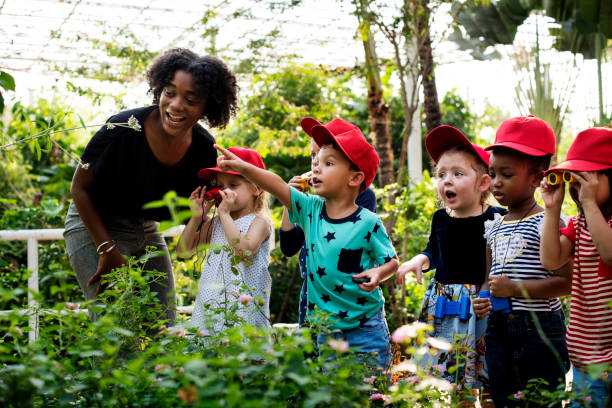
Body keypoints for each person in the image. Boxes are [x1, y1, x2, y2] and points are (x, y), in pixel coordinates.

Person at [64, 48, 238, 322]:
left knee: (163, 323)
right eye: (169, 92)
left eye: (191, 99)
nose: (176, 104)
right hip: (94, 223)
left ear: (208, 105)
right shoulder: (122, 126)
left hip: (145, 227)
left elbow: (206, 210)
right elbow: (79, 188)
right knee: (114, 325)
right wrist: (107, 249)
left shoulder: (204, 149)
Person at [213, 117, 399, 372]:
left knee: (370, 392)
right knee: (331, 391)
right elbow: (276, 184)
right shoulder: (310, 208)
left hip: (365, 326)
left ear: (354, 178)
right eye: (316, 161)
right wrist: (243, 168)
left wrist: (379, 273)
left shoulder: (369, 221)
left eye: (328, 163)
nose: (316, 168)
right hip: (324, 328)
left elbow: (392, 261)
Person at [395, 125, 505, 401]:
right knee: (455, 381)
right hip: (445, 310)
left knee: (488, 376)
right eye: (441, 174)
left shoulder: (496, 218)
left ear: (483, 183)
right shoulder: (440, 218)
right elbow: (433, 250)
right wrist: (417, 261)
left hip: (481, 307)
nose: (447, 181)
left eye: (458, 174)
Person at [473, 115, 571, 408]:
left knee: (542, 400)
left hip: (539, 330)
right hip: (498, 329)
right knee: (504, 399)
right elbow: (489, 278)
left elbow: (565, 283)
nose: (496, 183)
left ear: (537, 178)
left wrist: (515, 288)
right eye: (493, 173)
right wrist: (482, 297)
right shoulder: (495, 224)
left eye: (507, 174)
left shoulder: (548, 223)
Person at [539, 127, 612, 408]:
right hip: (583, 358)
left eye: (586, 178)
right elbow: (551, 260)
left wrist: (590, 203)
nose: (576, 188)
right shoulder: (578, 224)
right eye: (573, 179)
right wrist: (552, 209)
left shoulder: (597, 220)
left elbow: (608, 253)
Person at [279, 137, 377, 327]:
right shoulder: (310, 202)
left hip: (346, 295)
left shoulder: (363, 196)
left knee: (347, 354)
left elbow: (345, 242)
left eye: (326, 158)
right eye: (313, 155)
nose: (315, 161)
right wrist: (289, 202)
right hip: (312, 292)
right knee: (312, 352)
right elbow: (289, 247)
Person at [177, 147, 272, 334]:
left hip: (244, 311)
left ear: (257, 188)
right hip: (211, 308)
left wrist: (225, 215)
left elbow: (243, 252)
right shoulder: (217, 221)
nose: (224, 191)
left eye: (233, 185)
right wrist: (196, 218)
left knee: (245, 358)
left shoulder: (260, 221)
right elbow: (184, 251)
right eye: (220, 186)